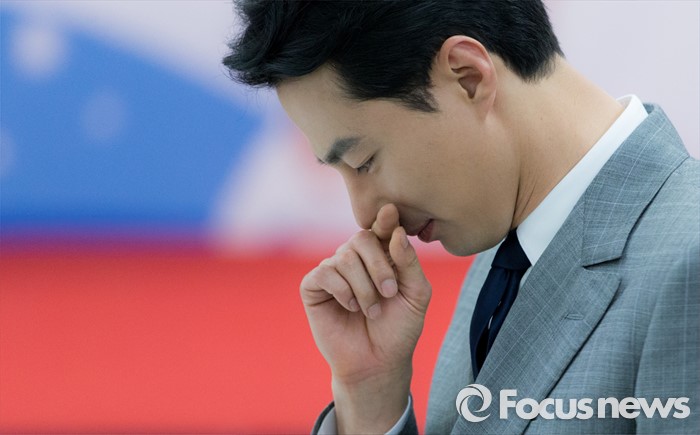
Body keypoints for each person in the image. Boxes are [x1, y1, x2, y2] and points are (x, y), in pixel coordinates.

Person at [222, 1, 699, 433]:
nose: (364, 215)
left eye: (364, 161)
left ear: (468, 77)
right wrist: (370, 399)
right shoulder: (507, 251)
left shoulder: (687, 265)